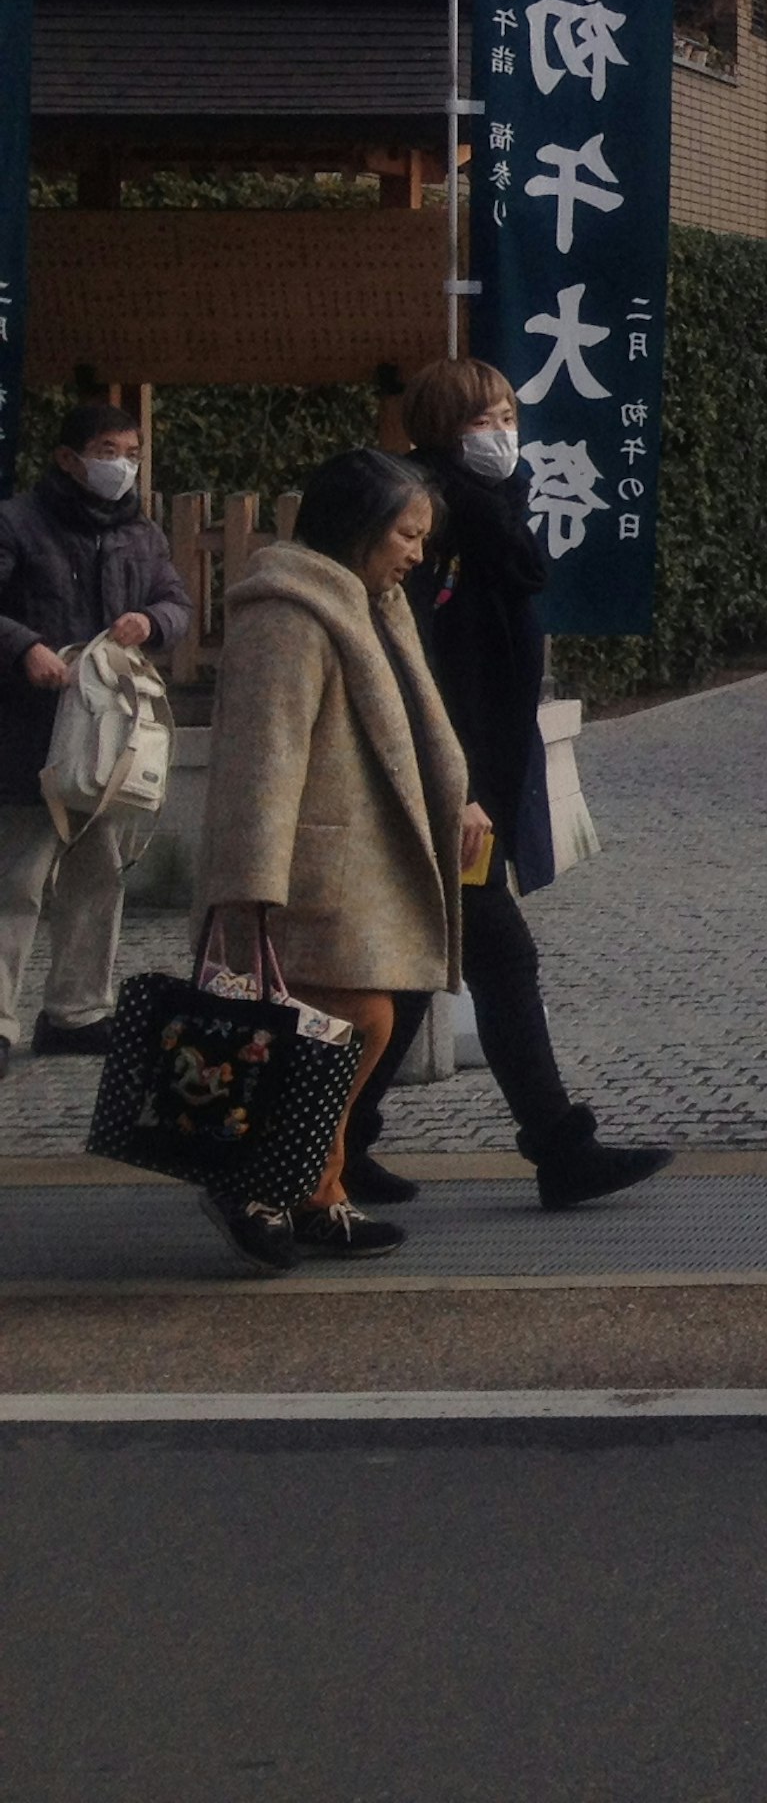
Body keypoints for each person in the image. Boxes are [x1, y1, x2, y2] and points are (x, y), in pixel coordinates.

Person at [340, 360, 667, 1211]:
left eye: (508, 413)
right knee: (496, 955)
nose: (502, 431)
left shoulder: (490, 512)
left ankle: (342, 1140)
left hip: (478, 778)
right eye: (486, 417)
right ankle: (558, 1149)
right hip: (455, 786)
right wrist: (457, 789)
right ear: (445, 426)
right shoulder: (437, 522)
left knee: (426, 966)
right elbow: (428, 670)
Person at [191, 449, 479, 1270]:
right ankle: (265, 1182)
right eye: (405, 532)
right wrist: (248, 888)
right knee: (340, 1024)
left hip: (361, 860)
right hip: (309, 869)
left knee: (346, 1026)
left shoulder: (371, 601)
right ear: (355, 527)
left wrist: (459, 801)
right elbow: (262, 758)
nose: (417, 552)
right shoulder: (288, 611)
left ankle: (316, 1190)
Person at [0, 398, 193, 1075]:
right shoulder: (17, 523)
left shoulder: (142, 533)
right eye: (110, 452)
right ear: (68, 458)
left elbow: (178, 602)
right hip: (25, 730)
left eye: (132, 453)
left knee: (98, 874)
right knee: (16, 878)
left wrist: (152, 621)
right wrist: (24, 646)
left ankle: (78, 1011)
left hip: (108, 734)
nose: (123, 466)